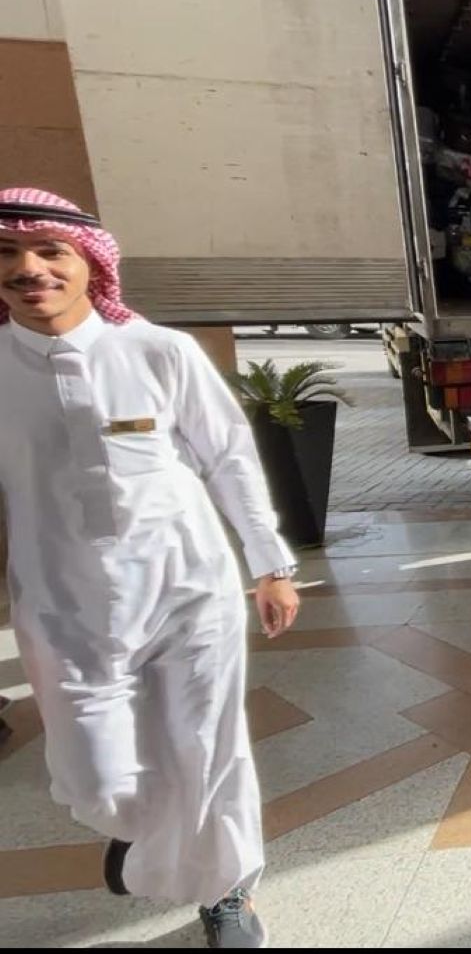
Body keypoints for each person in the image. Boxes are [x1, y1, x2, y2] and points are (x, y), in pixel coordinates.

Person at [0, 188, 300, 948]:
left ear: (89, 265)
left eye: (49, 251)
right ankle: (138, 830)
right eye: (7, 254)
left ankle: (228, 892)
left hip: (188, 589)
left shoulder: (158, 351)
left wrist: (269, 564)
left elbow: (228, 457)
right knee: (98, 782)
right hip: (61, 605)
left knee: (209, 749)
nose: (29, 269)